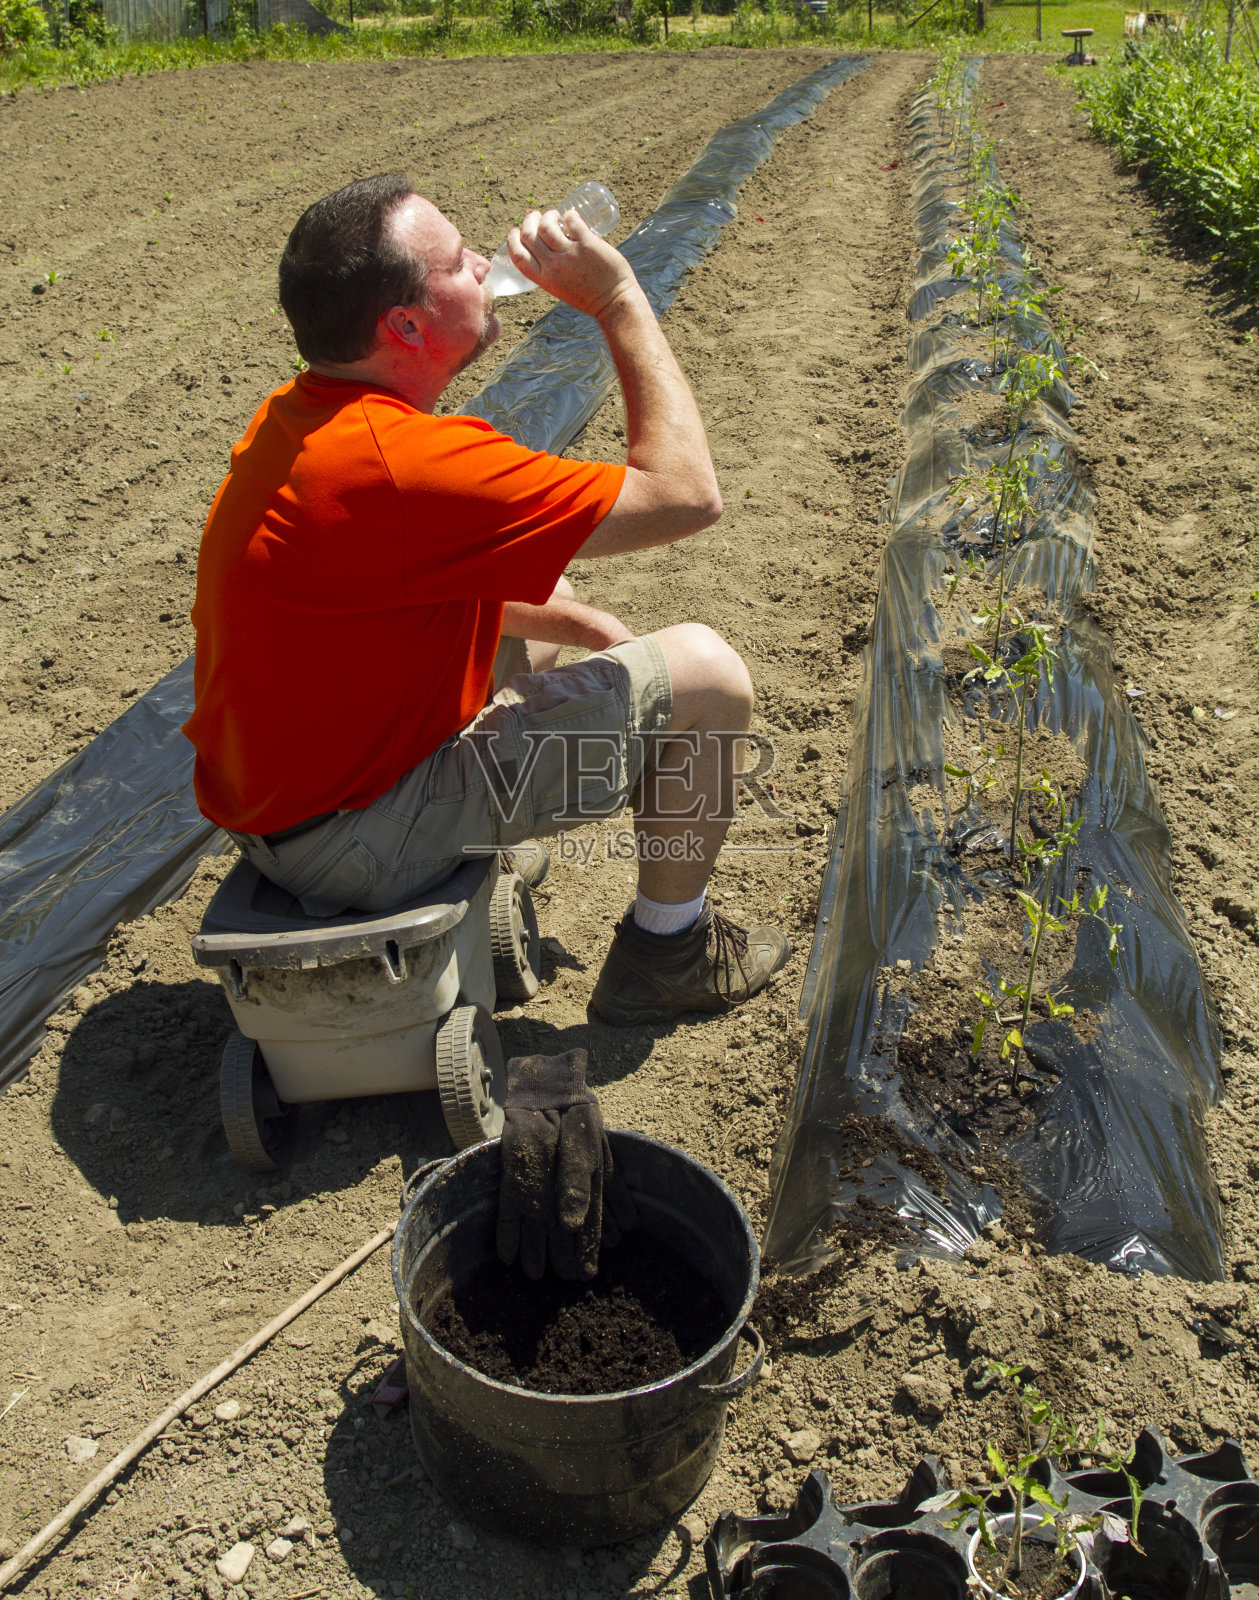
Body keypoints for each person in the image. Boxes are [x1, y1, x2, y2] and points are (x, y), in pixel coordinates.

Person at [184, 172, 790, 1028]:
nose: (484, 260)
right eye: (457, 261)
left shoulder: (306, 418)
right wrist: (616, 297)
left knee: (549, 592)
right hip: (348, 844)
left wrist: (581, 625)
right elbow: (686, 493)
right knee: (709, 676)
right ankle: (668, 951)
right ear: (405, 324)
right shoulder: (409, 469)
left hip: (279, 812)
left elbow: (394, 589)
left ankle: (480, 849)